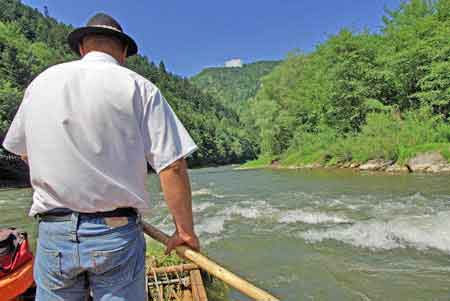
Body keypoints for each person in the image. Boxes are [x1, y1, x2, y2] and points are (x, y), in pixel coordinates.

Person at [2, 13, 200, 301]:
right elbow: (172, 165)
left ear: (83, 47)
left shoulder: (41, 83)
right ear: (122, 52)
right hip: (116, 235)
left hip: (54, 233)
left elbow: (22, 151)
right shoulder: (140, 87)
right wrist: (184, 231)